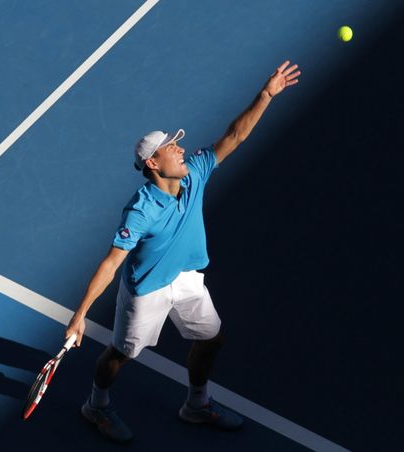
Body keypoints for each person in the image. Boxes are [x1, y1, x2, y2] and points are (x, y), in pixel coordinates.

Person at [65, 61, 300, 443]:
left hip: (186, 278)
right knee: (120, 355)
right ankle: (97, 405)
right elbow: (111, 263)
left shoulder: (195, 174)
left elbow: (236, 135)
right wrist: (80, 316)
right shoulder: (141, 210)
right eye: (172, 148)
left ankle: (196, 404)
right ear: (154, 164)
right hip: (147, 290)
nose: (182, 149)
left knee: (211, 338)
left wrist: (266, 95)